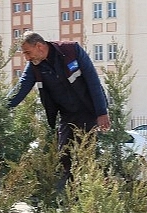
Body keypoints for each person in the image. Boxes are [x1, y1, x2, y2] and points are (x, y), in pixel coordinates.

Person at [7, 31, 110, 182]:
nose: (27, 58)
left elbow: (93, 80)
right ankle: (70, 195)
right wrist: (0, 109)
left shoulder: (71, 51)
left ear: (40, 46)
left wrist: (102, 112)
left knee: (87, 156)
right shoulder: (34, 67)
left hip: (89, 112)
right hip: (67, 115)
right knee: (64, 156)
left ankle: (97, 191)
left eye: (28, 52)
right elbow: (20, 88)